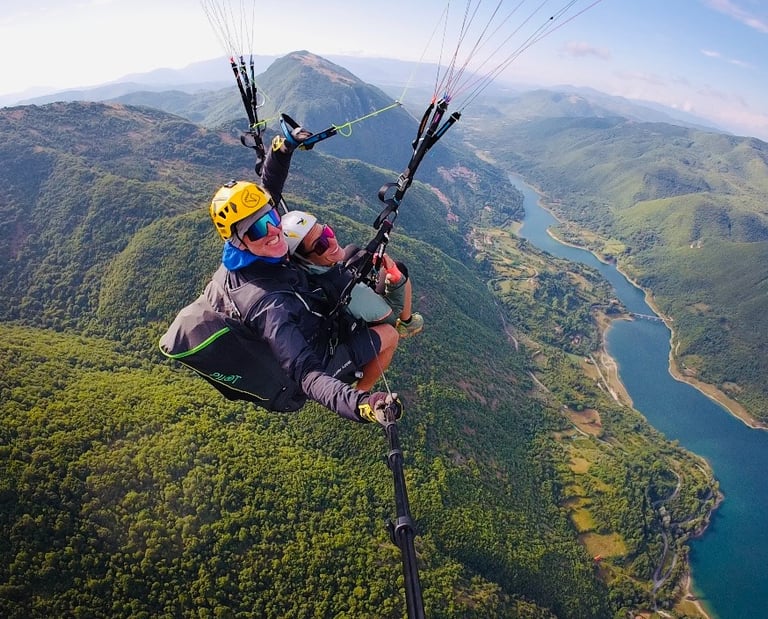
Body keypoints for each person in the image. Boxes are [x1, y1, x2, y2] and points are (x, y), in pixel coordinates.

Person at [200, 130, 402, 424]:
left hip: (310, 317)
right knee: (390, 334)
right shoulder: (267, 304)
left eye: (271, 219)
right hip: (314, 360)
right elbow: (306, 373)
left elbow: (268, 190)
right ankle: (364, 385)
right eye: (257, 230)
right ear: (238, 242)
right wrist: (362, 405)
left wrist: (283, 149)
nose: (272, 231)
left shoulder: (257, 248)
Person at [281, 210, 424, 338]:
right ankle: (406, 324)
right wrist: (395, 277)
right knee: (400, 269)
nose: (332, 241)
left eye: (327, 232)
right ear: (305, 259)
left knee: (353, 250)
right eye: (321, 245)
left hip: (327, 284)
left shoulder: (297, 269)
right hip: (353, 318)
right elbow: (391, 316)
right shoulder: (347, 289)